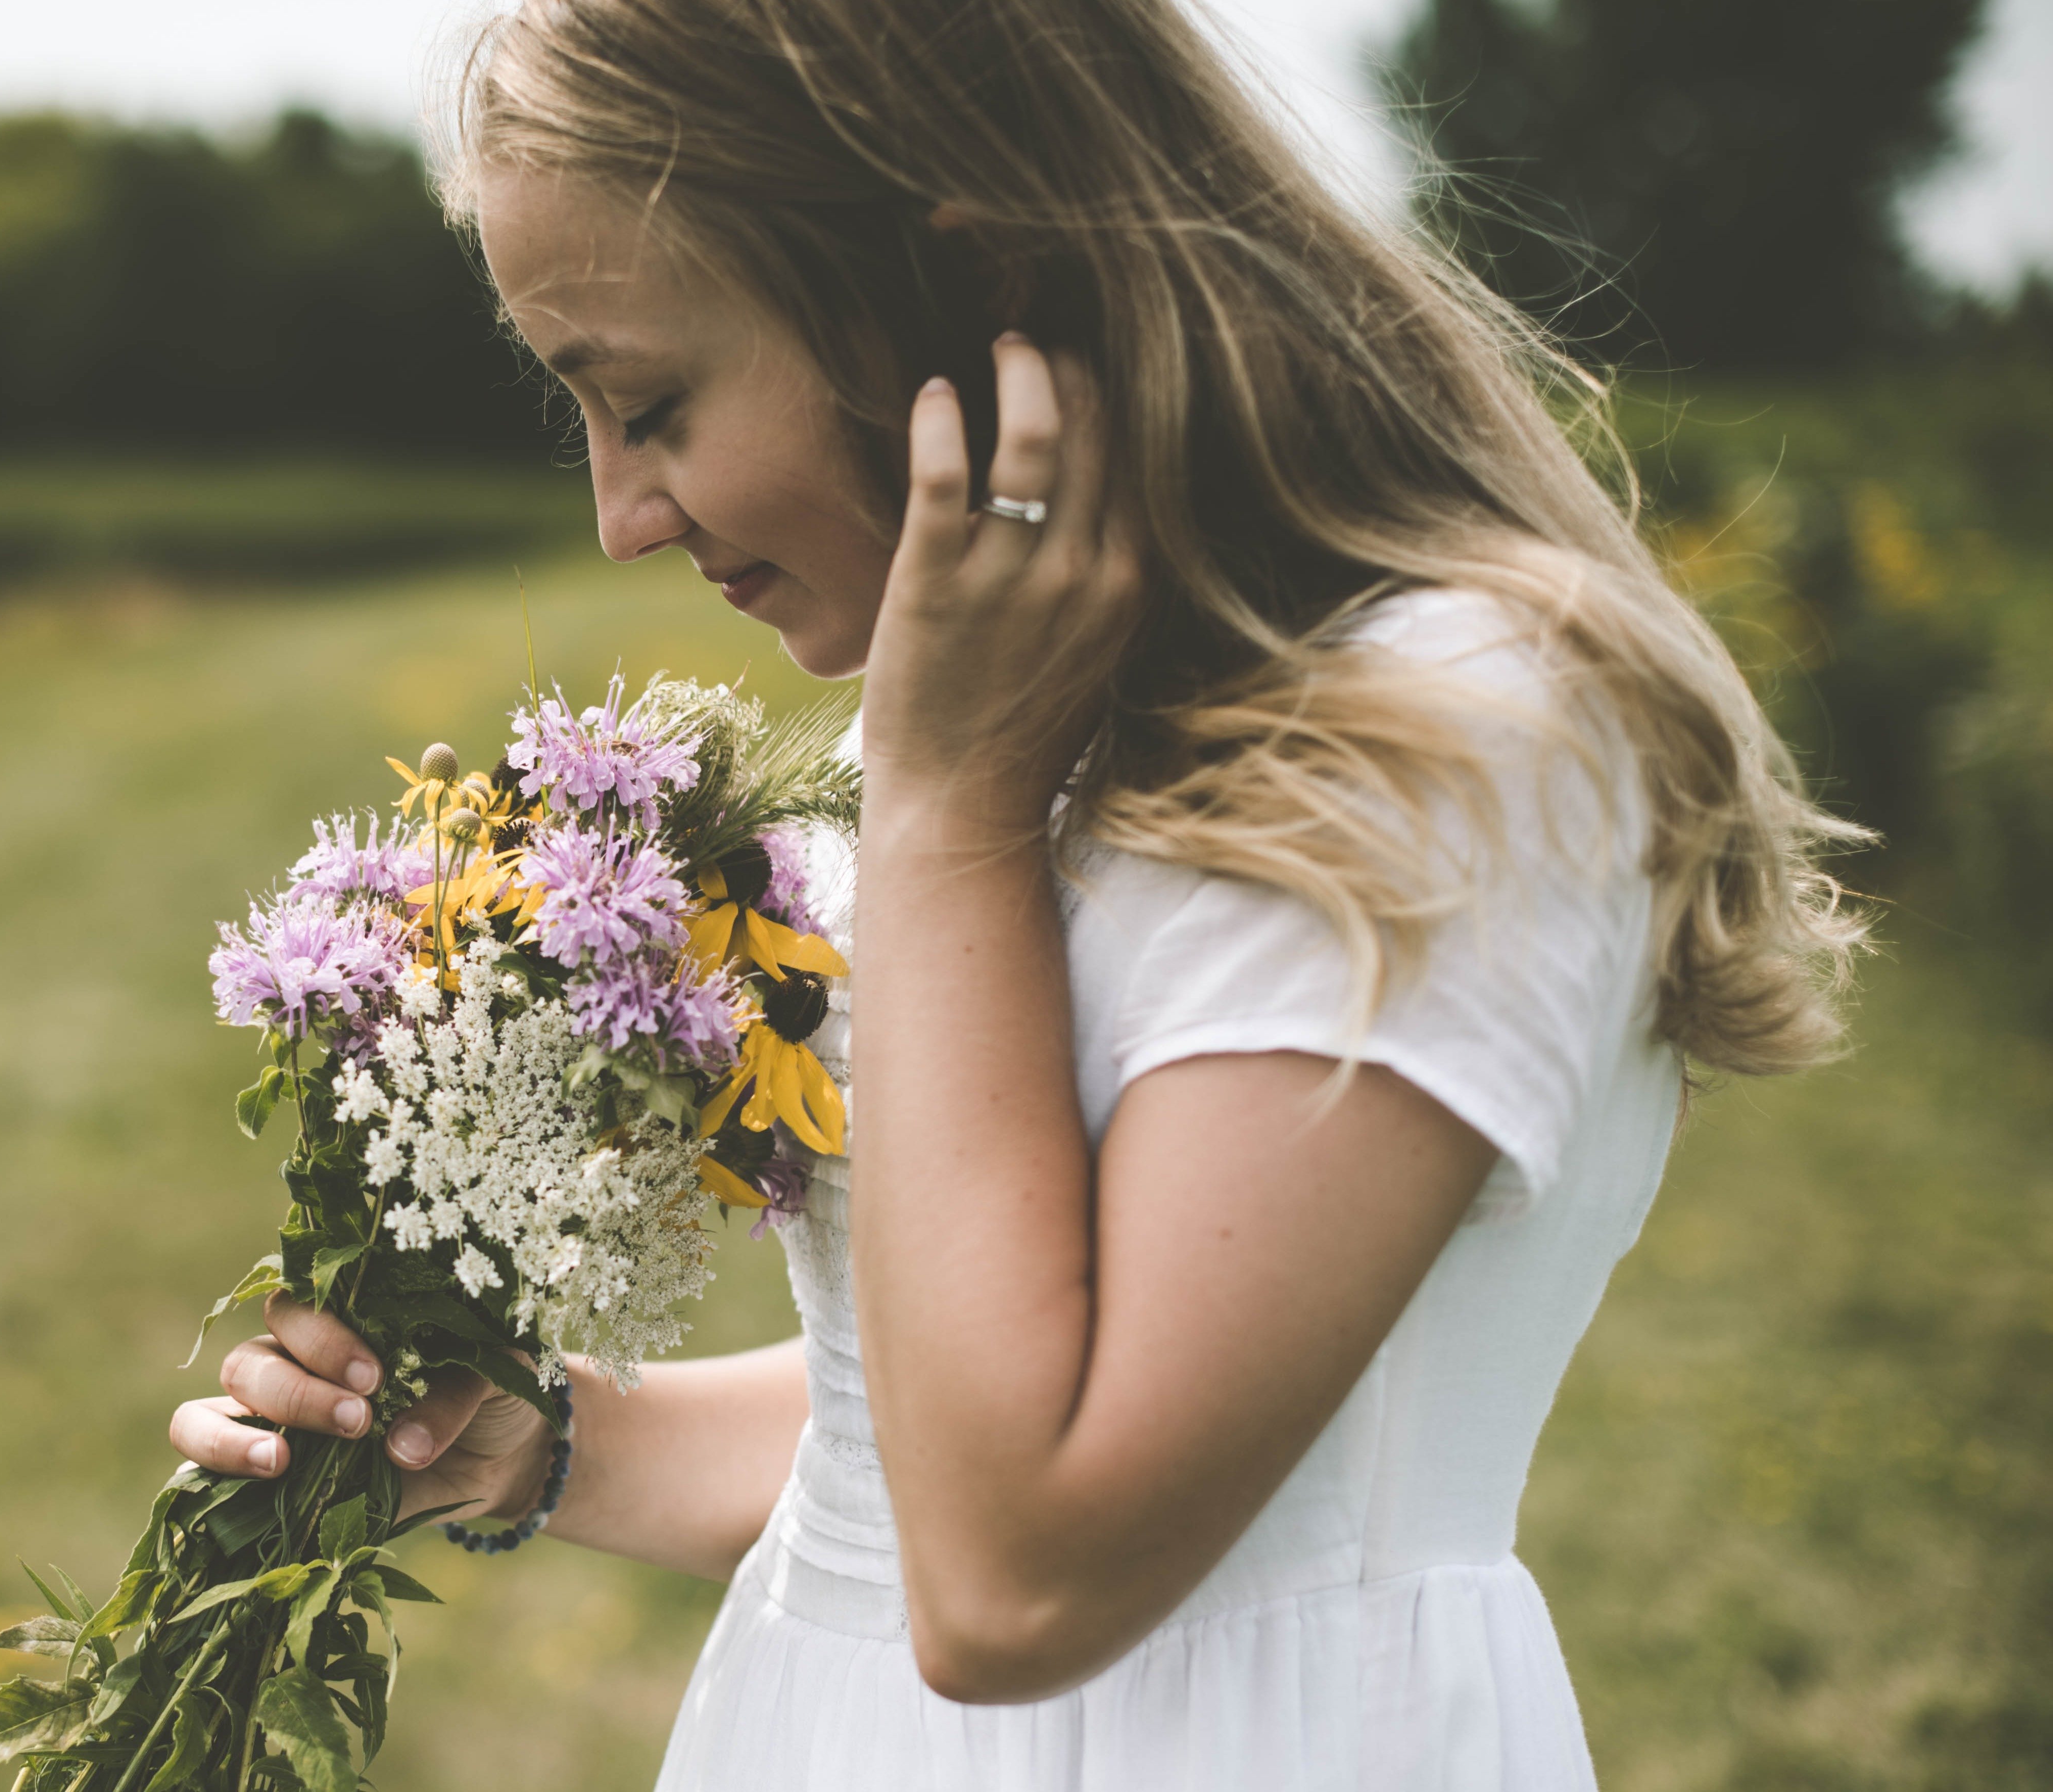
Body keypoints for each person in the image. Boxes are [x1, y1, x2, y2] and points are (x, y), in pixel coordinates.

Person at [168, 0, 1867, 1784]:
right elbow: (901, 1449)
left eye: (653, 403)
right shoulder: (1034, 723)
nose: (621, 517)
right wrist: (552, 1440)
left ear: (960, 284)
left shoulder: (1450, 739)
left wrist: (948, 808)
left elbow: (1017, 1570)